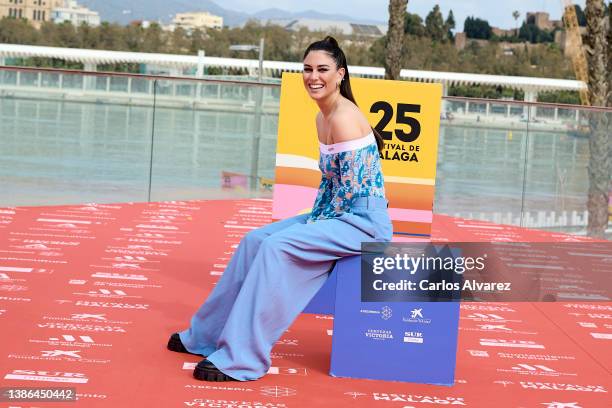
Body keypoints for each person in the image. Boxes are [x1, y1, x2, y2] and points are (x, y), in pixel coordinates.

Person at [167, 36, 392, 382]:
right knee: (254, 240)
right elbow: (330, 189)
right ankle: (206, 335)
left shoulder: (345, 118)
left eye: (322, 69)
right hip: (336, 212)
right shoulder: (322, 118)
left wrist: (310, 229)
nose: (312, 77)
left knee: (276, 247)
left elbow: (349, 196)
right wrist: (312, 223)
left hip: (363, 222)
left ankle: (242, 358)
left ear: (341, 74)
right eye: (307, 69)